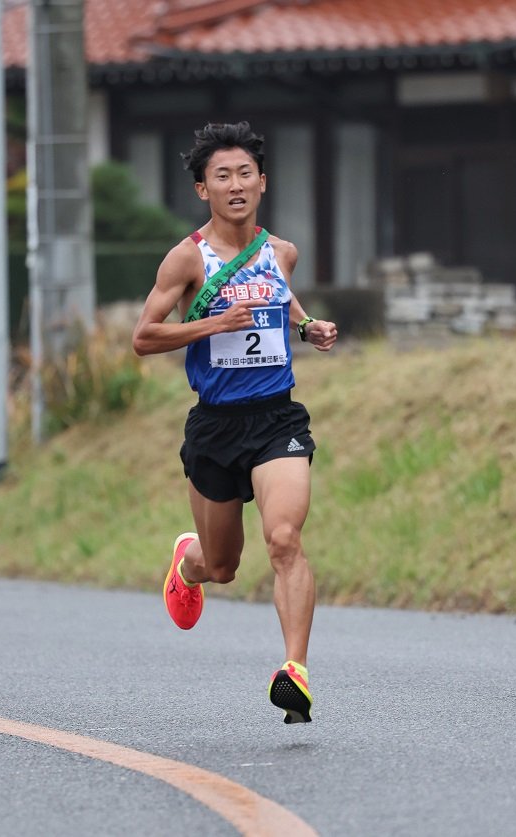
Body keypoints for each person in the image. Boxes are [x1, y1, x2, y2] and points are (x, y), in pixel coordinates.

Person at [132, 122, 337, 724]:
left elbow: (283, 297)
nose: (236, 184)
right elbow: (144, 337)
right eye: (222, 176)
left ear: (263, 181)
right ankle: (187, 560)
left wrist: (307, 327)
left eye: (245, 173)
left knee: (285, 539)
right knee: (222, 567)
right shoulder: (187, 258)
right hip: (216, 428)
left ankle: (294, 671)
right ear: (203, 190)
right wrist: (210, 326)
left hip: (277, 419)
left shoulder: (282, 252)